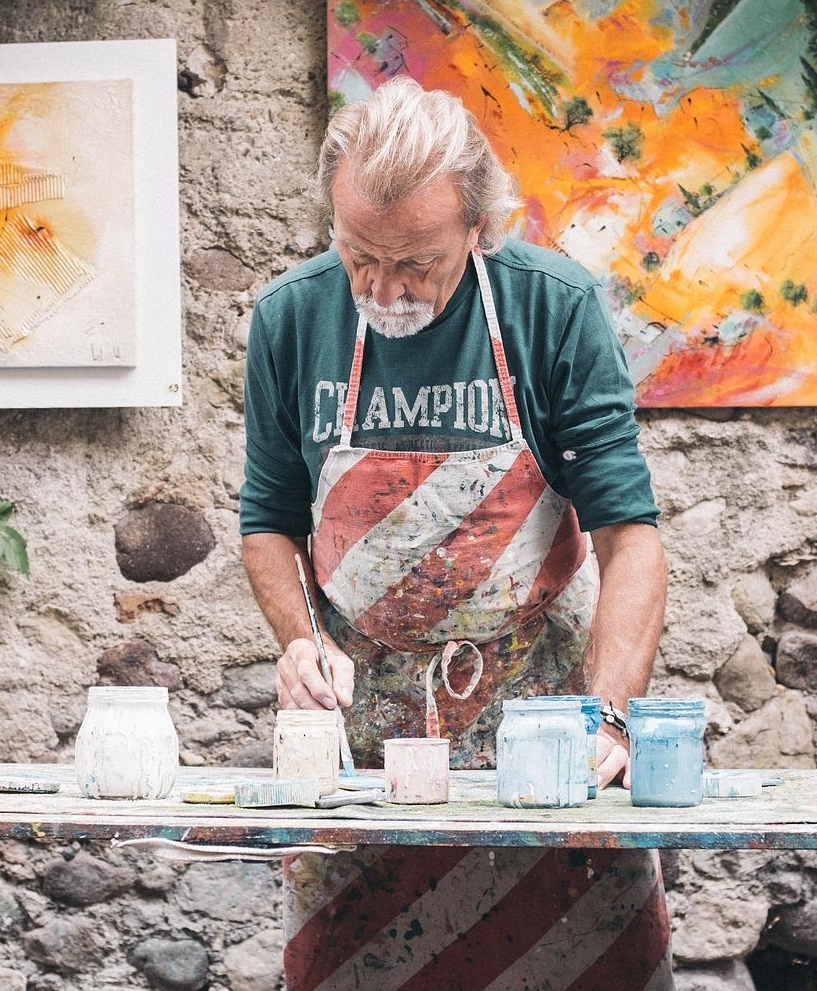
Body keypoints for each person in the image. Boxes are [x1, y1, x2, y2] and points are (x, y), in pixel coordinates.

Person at [240, 75, 674, 989]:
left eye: (417, 262)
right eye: (360, 255)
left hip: (546, 731)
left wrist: (608, 716)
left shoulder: (550, 307)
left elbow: (628, 535)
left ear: (480, 226)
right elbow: (268, 522)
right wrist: (298, 644)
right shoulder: (291, 317)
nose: (383, 290)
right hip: (366, 744)